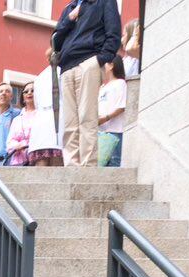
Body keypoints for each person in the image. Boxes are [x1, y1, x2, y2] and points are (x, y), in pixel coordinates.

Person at [51, 0, 122, 167]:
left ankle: (87, 167)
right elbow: (55, 40)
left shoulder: (104, 2)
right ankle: (72, 166)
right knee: (69, 124)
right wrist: (69, 18)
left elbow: (114, 34)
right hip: (67, 66)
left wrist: (99, 59)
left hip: (88, 62)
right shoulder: (69, 7)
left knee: (87, 118)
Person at [97, 56, 128, 167]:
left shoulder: (120, 83)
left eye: (105, 64)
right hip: (101, 132)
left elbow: (121, 107)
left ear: (111, 65)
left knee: (113, 164)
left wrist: (105, 118)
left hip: (115, 132)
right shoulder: (103, 87)